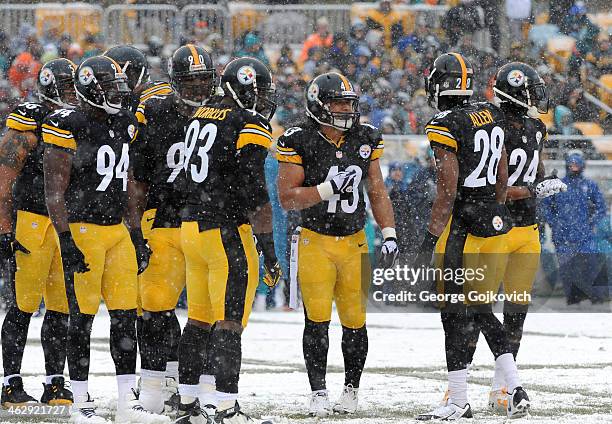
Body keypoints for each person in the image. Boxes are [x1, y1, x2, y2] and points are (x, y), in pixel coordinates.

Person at [42, 55, 167, 424]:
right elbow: (54, 190)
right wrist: (65, 239)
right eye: (109, 88)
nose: (117, 94)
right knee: (81, 319)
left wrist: (136, 232)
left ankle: (129, 402)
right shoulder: (68, 124)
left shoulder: (126, 123)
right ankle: (80, 401)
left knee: (125, 317)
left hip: (116, 231)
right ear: (90, 90)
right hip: (82, 229)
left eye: (119, 87)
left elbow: (127, 184)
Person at [415, 52, 530, 420]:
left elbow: (447, 188)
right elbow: (500, 171)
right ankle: (514, 386)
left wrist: (429, 238)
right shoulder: (490, 112)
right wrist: (495, 207)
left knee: (453, 313)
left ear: (440, 84)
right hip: (494, 223)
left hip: (462, 226)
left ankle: (458, 399)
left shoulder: (445, 122)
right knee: (480, 310)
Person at [276, 72, 398, 417]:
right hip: (315, 240)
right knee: (316, 320)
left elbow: (376, 188)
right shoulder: (298, 138)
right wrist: (327, 189)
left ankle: (351, 389)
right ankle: (318, 392)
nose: (346, 109)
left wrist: (388, 233)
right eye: (338, 103)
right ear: (318, 105)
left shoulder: (365, 136)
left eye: (349, 103)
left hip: (355, 239)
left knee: (355, 321)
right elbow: (287, 197)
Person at [176, 57, 280, 424]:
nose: (263, 100)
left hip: (191, 227)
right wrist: (269, 249)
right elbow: (254, 190)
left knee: (199, 320)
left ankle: (188, 405)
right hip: (224, 231)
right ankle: (226, 407)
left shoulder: (202, 113)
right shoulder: (247, 122)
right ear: (244, 89)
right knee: (229, 322)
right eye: (259, 91)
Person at [471, 62, 567, 412]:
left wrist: (542, 183)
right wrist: (532, 190)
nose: (536, 97)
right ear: (514, 90)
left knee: (516, 313)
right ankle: (461, 386)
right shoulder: (493, 125)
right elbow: (495, 189)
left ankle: (501, 389)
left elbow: (535, 172)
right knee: (478, 308)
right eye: (530, 90)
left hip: (527, 230)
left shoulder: (536, 127)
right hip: (496, 226)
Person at [130, 44, 217, 417]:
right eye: (189, 80)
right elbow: (137, 177)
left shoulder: (223, 115)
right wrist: (135, 227)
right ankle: (155, 381)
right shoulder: (153, 111)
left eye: (203, 80)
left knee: (207, 312)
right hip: (163, 219)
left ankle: (205, 386)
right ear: (173, 81)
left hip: (207, 222)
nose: (198, 88)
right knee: (153, 306)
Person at [0, 58, 76, 408]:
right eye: (64, 88)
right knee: (23, 306)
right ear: (49, 88)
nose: (71, 94)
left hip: (65, 224)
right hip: (30, 220)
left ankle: (54, 382)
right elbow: (4, 180)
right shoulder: (31, 119)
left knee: (61, 308)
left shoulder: (79, 121)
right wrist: (3, 229)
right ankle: (11, 382)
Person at [541, 151, 608, 305]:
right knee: (568, 269)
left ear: (583, 165)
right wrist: (555, 223)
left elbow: (601, 208)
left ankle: (596, 297)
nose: (574, 167)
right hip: (562, 236)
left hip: (585, 235)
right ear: (567, 165)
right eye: (572, 164)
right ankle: (573, 298)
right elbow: (546, 207)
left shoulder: (589, 185)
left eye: (577, 164)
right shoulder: (558, 185)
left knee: (591, 265)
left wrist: (591, 223)